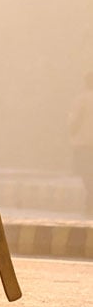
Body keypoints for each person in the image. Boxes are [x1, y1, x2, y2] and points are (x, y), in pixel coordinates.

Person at [68, 72, 93, 216]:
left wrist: (73, 134)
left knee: (86, 173)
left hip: (83, 143)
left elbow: (74, 122)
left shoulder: (82, 100)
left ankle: (90, 199)